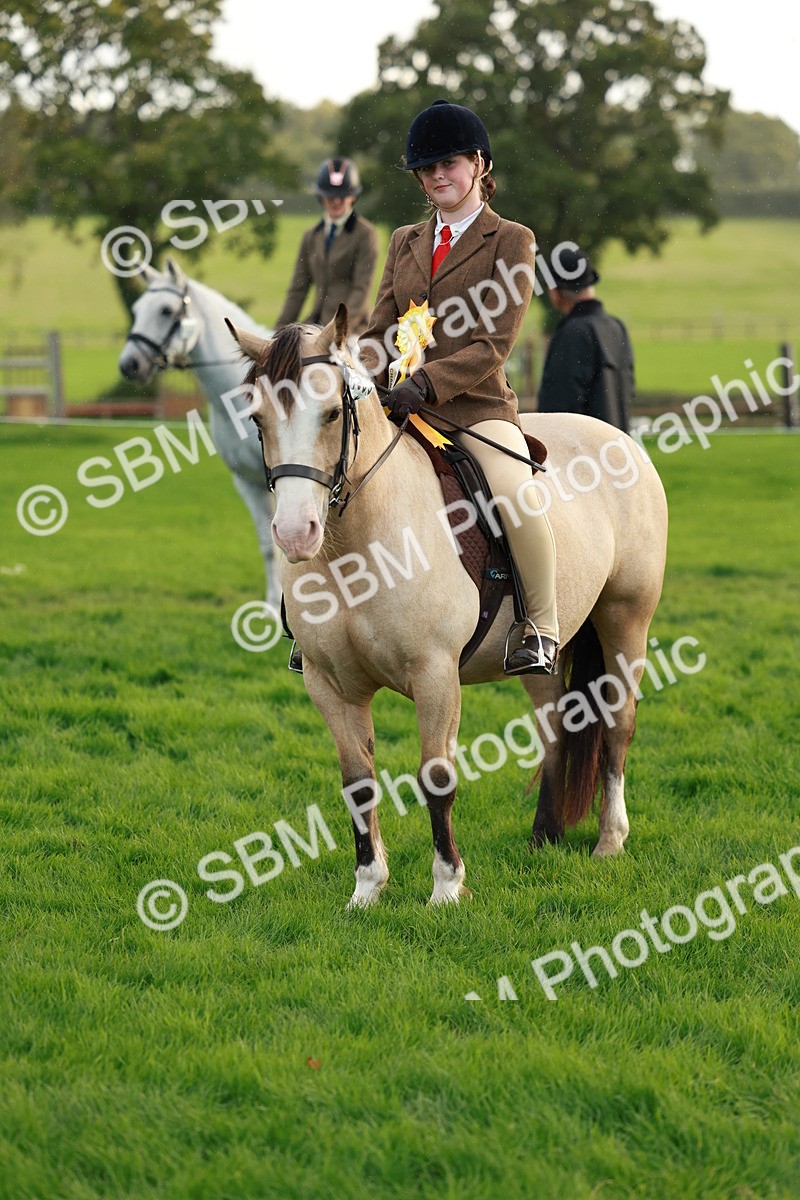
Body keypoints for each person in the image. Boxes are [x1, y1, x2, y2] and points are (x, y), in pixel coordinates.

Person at [359, 99, 559, 675]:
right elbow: (379, 328)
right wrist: (362, 377)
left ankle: (539, 627)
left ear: (478, 165)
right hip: (397, 405)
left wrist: (426, 382)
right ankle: (317, 625)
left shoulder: (512, 241)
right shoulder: (404, 241)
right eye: (426, 169)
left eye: (448, 163)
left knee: (513, 492)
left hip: (473, 409)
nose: (436, 177)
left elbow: (494, 344)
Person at [275, 157, 379, 335]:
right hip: (315, 325)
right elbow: (298, 288)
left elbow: (361, 289)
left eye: (342, 196)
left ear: (353, 196)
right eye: (330, 196)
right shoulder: (311, 236)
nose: (336, 201)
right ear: (321, 197)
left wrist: (339, 329)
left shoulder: (366, 234)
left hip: (350, 329)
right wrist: (278, 331)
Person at [537, 247, 633, 432]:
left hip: (583, 454)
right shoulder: (616, 327)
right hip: (618, 449)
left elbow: (557, 411)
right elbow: (628, 395)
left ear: (555, 291)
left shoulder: (572, 333)